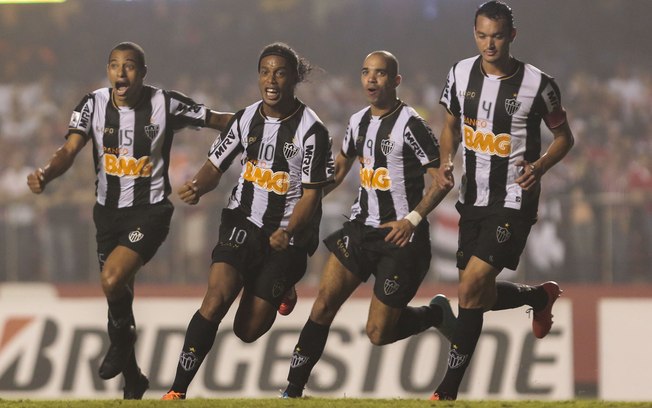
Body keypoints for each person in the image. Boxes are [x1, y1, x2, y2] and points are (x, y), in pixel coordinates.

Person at [26, 41, 231, 399]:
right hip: (106, 214)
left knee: (111, 279)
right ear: (108, 71)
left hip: (149, 211)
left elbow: (220, 120)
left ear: (143, 73)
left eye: (130, 65)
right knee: (119, 292)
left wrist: (262, 123)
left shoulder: (165, 103)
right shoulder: (92, 104)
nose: (121, 72)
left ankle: (123, 340)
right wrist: (46, 173)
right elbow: (70, 149)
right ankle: (133, 378)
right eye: (114, 65)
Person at [161, 42, 335, 400]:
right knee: (216, 297)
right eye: (265, 72)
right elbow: (215, 166)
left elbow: (311, 195)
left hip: (287, 237)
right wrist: (197, 185)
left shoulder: (312, 131)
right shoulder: (246, 118)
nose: (271, 80)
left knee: (247, 330)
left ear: (293, 79)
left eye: (280, 72)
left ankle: (280, 284)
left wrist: (288, 231)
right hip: (243, 219)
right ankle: (176, 391)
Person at [281, 50, 457, 399]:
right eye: (365, 73)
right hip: (361, 231)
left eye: (379, 74)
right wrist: (305, 195)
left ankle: (434, 315)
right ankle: (292, 390)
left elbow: (442, 180)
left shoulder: (411, 124)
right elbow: (341, 165)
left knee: (378, 333)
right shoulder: (358, 121)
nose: (371, 80)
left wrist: (413, 219)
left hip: (402, 239)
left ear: (395, 81)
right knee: (323, 304)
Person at [430, 1, 575, 400]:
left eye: (496, 35)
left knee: (473, 284)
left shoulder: (538, 84)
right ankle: (537, 296)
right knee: (474, 294)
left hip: (515, 198)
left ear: (512, 35)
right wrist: (445, 161)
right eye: (481, 35)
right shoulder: (460, 73)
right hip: (472, 197)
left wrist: (541, 166)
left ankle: (447, 391)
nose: (488, 44)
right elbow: (449, 126)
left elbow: (565, 138)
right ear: (474, 33)